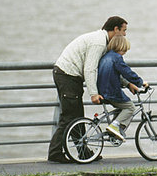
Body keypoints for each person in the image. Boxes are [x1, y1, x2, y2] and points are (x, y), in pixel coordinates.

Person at [47, 16, 129, 163]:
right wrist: (94, 94)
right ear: (115, 29)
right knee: (69, 117)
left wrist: (127, 84)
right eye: (124, 31)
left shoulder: (102, 41)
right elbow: (90, 68)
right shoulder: (98, 43)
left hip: (68, 75)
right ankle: (55, 153)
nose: (124, 35)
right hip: (68, 76)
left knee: (76, 117)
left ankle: (84, 152)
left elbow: (104, 69)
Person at [97, 35, 146, 141]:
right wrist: (140, 82)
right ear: (121, 47)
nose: (125, 52)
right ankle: (114, 126)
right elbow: (126, 72)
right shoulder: (117, 58)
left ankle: (114, 130)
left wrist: (129, 85)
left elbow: (117, 75)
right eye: (125, 50)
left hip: (102, 90)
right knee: (130, 107)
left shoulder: (105, 57)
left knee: (122, 108)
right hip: (111, 91)